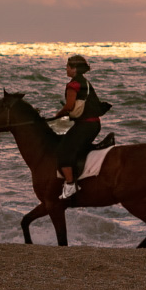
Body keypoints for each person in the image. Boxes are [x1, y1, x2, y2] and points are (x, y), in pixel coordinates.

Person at [51, 54, 103, 200]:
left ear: (74, 69)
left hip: (85, 125)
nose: (66, 69)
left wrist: (57, 115)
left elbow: (69, 106)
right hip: (94, 124)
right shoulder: (85, 82)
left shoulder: (73, 85)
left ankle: (70, 185)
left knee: (62, 151)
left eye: (68, 67)